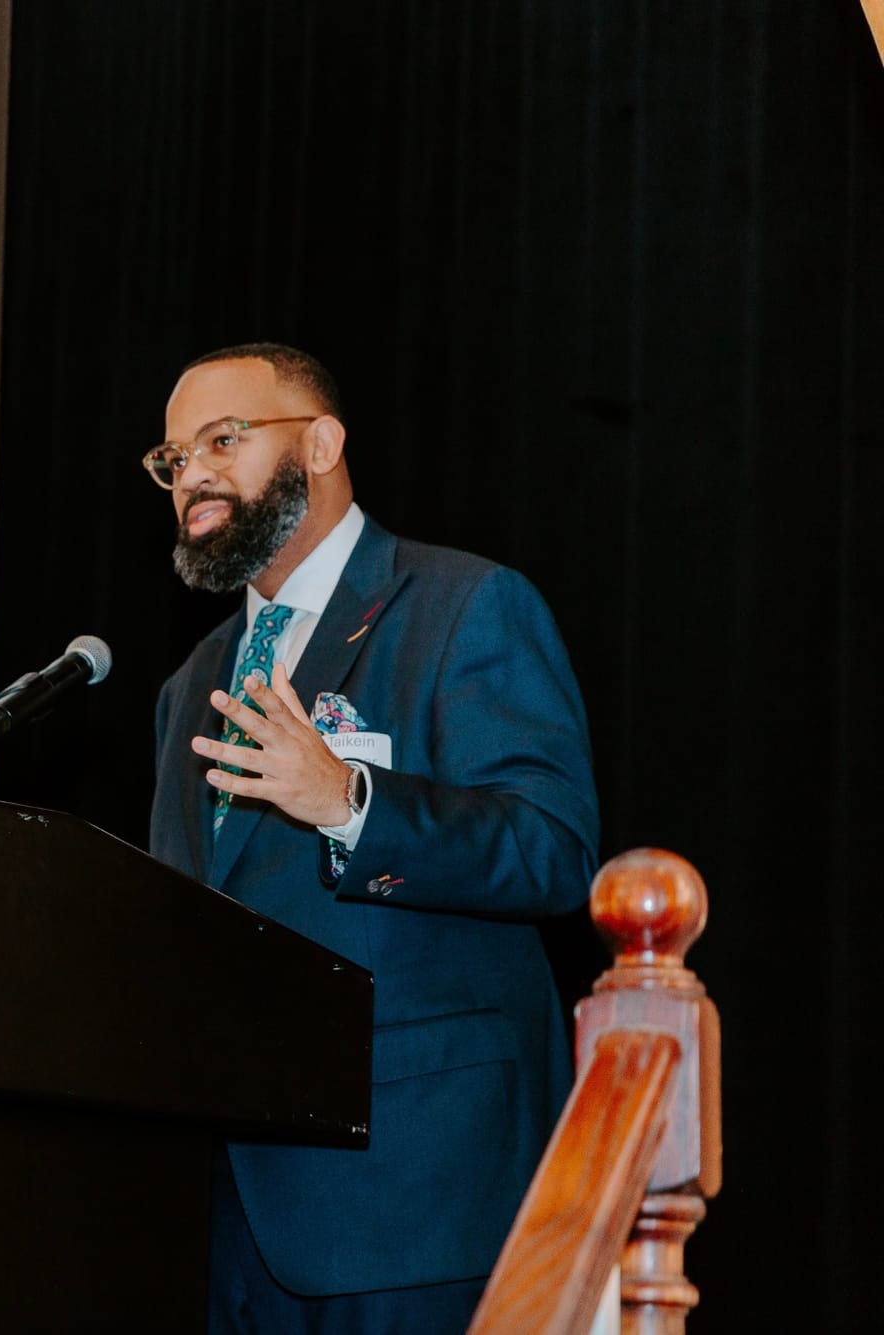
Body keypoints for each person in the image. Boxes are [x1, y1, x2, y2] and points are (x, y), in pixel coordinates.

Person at [144, 343, 600, 1333]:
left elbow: (552, 848)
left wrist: (352, 803)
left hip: (411, 1193)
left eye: (221, 440)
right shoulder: (191, 684)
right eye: (172, 458)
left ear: (321, 443)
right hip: (219, 1222)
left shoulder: (462, 606)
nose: (191, 476)